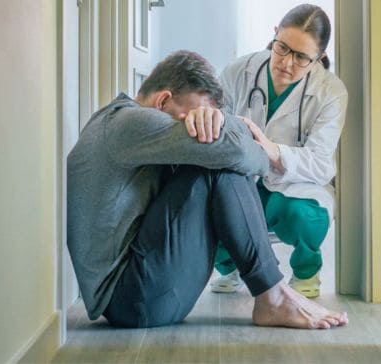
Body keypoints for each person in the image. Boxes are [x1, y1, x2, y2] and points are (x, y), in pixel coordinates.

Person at [67, 50, 348, 329]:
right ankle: (272, 296)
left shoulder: (116, 122)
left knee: (216, 158)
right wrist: (227, 127)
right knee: (216, 165)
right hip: (133, 300)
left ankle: (274, 292)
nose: (198, 126)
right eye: (193, 118)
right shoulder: (129, 123)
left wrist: (222, 120)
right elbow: (253, 156)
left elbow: (249, 157)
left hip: (142, 294)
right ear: (163, 100)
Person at [206, 4, 348, 298]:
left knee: (305, 216)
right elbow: (215, 124)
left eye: (301, 57)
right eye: (282, 47)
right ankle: (227, 266)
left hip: (294, 184)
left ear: (318, 58)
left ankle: (305, 272)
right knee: (212, 205)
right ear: (274, 35)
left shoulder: (331, 92)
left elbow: (321, 163)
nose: (286, 63)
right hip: (242, 175)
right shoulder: (239, 71)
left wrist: (271, 150)